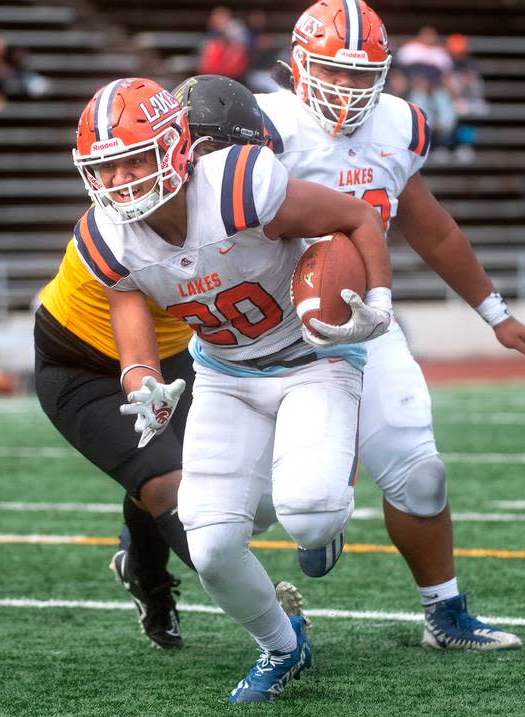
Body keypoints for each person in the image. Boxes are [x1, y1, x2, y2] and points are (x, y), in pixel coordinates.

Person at [72, 76, 392, 702]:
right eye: (105, 169)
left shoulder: (238, 185)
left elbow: (356, 217)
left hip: (312, 354)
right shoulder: (105, 236)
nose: (120, 182)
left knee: (311, 511)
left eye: (134, 160)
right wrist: (143, 382)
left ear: (175, 146)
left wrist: (376, 301)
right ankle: (281, 645)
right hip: (224, 370)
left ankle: (324, 510)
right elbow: (129, 314)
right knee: (211, 544)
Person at [257, 0, 525, 651]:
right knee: (291, 509)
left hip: (366, 318)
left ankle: (444, 613)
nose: (347, 88)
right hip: (272, 330)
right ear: (299, 65)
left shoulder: (399, 125)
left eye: (361, 75)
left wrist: (496, 314)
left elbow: (432, 227)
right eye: (333, 73)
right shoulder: (263, 125)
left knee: (422, 472)